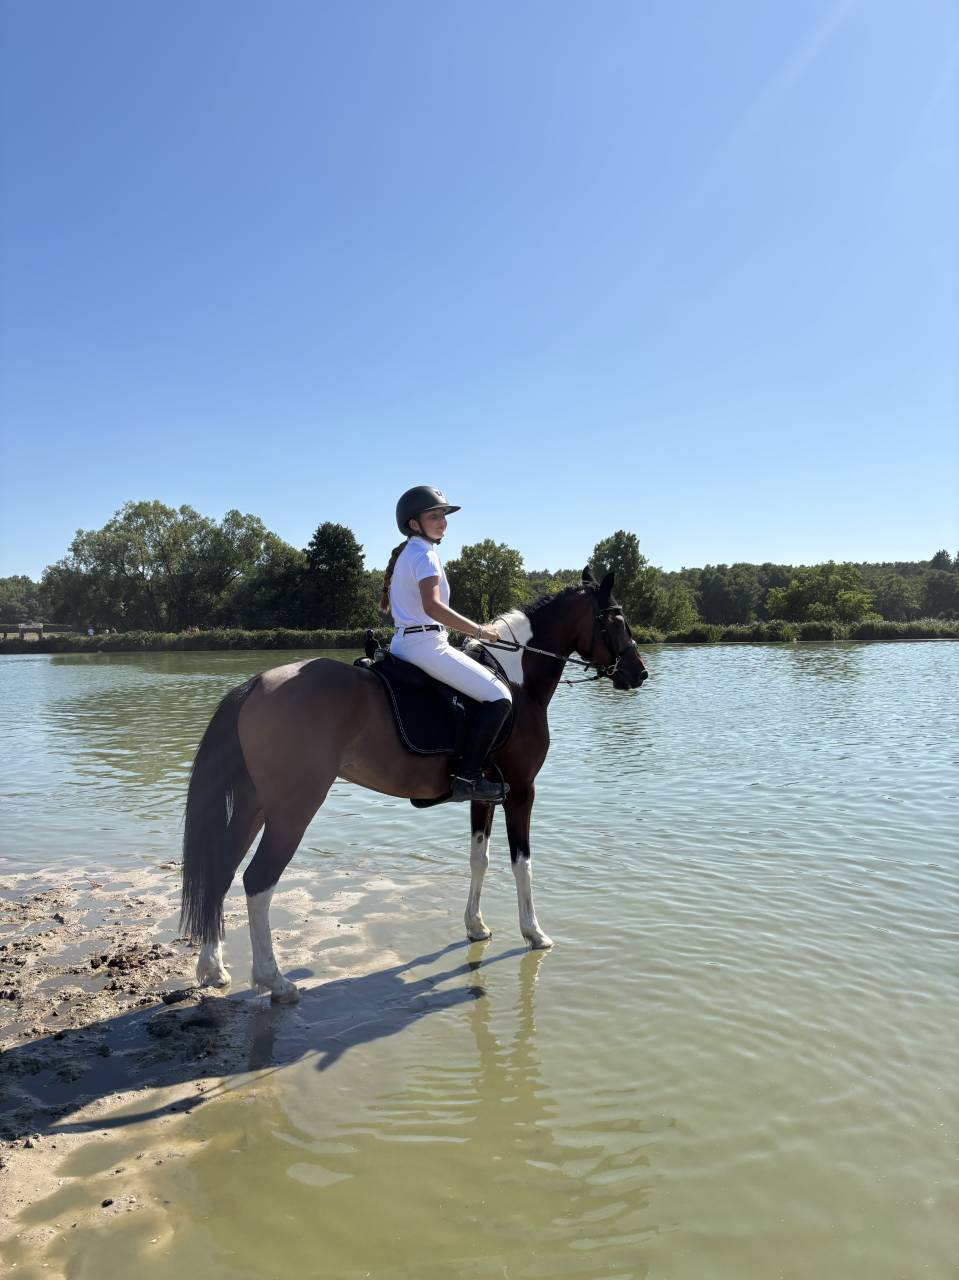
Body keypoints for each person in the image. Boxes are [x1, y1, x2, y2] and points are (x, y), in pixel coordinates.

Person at [381, 485, 511, 804]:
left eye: (443, 516)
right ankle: (467, 778)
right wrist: (479, 630)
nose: (442, 522)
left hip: (404, 643)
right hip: (426, 646)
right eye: (434, 516)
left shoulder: (410, 553)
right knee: (500, 697)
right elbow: (433, 608)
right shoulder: (424, 554)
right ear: (414, 523)